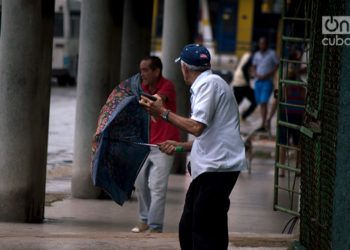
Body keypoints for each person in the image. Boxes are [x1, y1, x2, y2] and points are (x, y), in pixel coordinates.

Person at [139, 44, 247, 249]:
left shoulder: (208, 85)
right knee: (192, 226)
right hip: (211, 168)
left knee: (202, 231)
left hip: (217, 168)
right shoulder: (208, 84)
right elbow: (209, 135)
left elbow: (197, 127)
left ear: (185, 68)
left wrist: (162, 113)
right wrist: (180, 146)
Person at [131, 56, 180, 233]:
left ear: (156, 71)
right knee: (140, 183)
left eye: (145, 70)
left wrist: (139, 99)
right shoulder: (141, 88)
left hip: (165, 145)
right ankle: (144, 219)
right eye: (141, 70)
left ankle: (155, 226)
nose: (141, 74)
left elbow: (159, 99)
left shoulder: (168, 86)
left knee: (157, 186)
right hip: (145, 144)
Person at [252, 37, 279, 132]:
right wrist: (255, 73)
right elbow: (254, 66)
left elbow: (277, 65)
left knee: (264, 102)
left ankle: (264, 123)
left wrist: (268, 74)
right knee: (261, 103)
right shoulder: (256, 54)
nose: (262, 45)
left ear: (267, 44)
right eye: (260, 43)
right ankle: (265, 123)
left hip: (268, 81)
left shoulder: (272, 54)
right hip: (258, 81)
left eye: (263, 44)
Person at [231, 51, 257, 121]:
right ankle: (243, 116)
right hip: (242, 83)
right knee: (255, 100)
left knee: (235, 104)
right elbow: (244, 68)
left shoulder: (246, 54)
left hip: (237, 80)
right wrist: (248, 81)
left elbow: (238, 66)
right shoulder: (253, 57)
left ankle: (232, 118)